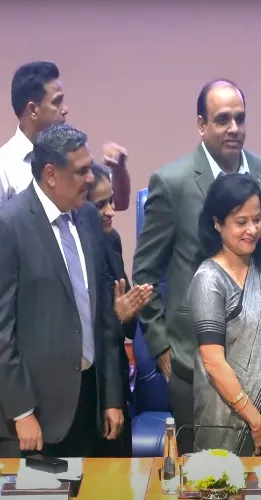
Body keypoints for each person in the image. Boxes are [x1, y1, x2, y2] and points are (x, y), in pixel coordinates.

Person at [132, 79, 261, 453]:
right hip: (195, 357)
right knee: (205, 475)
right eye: (222, 120)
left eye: (239, 118)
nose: (233, 128)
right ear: (202, 125)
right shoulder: (172, 182)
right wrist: (160, 345)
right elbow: (145, 272)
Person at [0, 124, 124, 457]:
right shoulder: (9, 226)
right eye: (81, 171)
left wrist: (111, 396)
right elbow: (2, 331)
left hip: (87, 404)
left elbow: (104, 318)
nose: (90, 179)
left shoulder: (87, 218)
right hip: (34, 415)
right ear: (51, 174)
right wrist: (21, 411)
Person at [189, 173, 261, 456]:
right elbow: (213, 362)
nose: (252, 229)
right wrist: (254, 421)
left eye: (257, 219)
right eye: (241, 222)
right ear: (217, 223)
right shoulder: (209, 279)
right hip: (225, 424)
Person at [87, 163, 153, 456]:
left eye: (112, 200)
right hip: (88, 388)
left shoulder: (111, 240)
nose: (112, 211)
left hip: (116, 378)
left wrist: (130, 310)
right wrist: (117, 316)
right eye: (101, 204)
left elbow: (124, 325)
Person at [0, 61, 131, 209]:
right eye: (57, 102)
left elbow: (119, 203)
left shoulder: (74, 152)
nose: (65, 109)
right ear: (33, 110)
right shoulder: (4, 167)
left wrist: (119, 170)